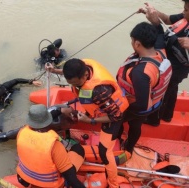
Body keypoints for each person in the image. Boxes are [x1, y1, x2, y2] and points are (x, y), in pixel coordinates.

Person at [46, 58, 129, 188]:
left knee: (104, 152)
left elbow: (116, 116)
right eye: (71, 83)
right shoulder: (81, 67)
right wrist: (54, 70)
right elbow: (70, 72)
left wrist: (90, 120)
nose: (75, 87)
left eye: (76, 84)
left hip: (113, 116)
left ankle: (113, 184)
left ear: (85, 75)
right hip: (100, 108)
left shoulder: (99, 91)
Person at [116, 21, 172, 156]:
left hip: (139, 106)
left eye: (132, 41)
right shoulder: (160, 51)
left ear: (137, 44)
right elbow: (159, 34)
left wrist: (121, 111)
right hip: (155, 102)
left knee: (117, 121)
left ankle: (122, 146)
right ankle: (129, 148)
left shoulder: (140, 72)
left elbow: (141, 105)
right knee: (136, 126)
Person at [139, 1, 189, 126]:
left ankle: (153, 120)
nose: (183, 12)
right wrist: (154, 13)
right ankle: (167, 115)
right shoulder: (184, 16)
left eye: (187, 10)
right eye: (184, 8)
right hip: (170, 63)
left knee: (162, 90)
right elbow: (166, 19)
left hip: (179, 68)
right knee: (171, 87)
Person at [16, 104, 86, 188]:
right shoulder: (54, 145)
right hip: (51, 185)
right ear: (49, 121)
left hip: (26, 179)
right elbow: (71, 179)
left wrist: (60, 110)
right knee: (78, 148)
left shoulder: (21, 133)